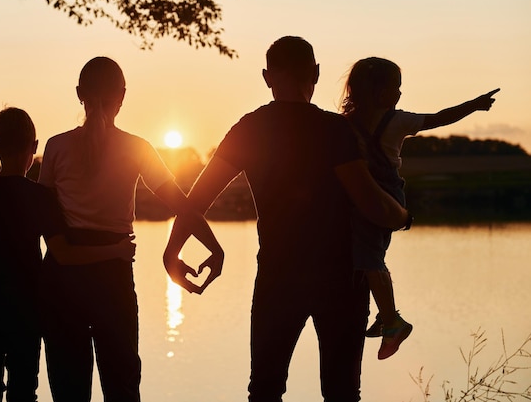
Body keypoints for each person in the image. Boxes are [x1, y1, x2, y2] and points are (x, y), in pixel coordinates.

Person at [164, 36, 411, 402]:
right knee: (342, 392)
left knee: (264, 389)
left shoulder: (249, 129)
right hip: (341, 280)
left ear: (267, 77)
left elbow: (193, 202)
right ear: (315, 73)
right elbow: (373, 206)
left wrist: (172, 251)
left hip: (278, 278)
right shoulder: (334, 129)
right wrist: (405, 213)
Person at [38, 56, 223, 402]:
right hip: (112, 277)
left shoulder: (55, 147)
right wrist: (214, 246)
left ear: (79, 93)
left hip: (62, 280)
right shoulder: (137, 148)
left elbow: (47, 219)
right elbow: (182, 204)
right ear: (122, 95)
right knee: (122, 388)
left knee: (68, 390)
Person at [0, 107, 136, 402]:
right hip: (26, 310)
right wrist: (116, 250)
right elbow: (65, 254)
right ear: (35, 147)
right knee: (24, 388)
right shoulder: (40, 197)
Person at [340, 56, 499, 360]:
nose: (400, 94)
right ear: (376, 90)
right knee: (369, 255)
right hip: (366, 194)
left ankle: (391, 320)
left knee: (369, 257)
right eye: (396, 87)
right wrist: (474, 105)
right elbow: (439, 118)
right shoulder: (376, 121)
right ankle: (385, 313)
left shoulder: (365, 122)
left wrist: (473, 105)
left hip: (384, 195)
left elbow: (440, 118)